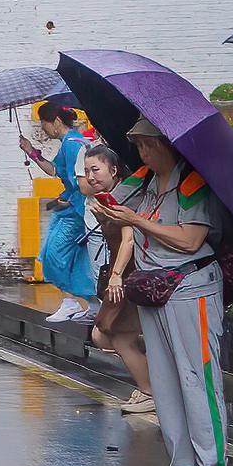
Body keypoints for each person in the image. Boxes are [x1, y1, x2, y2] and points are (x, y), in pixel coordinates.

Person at [92, 118, 233, 466]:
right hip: (156, 288)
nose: (143, 154)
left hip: (192, 288)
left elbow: (191, 239)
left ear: (166, 144)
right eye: (138, 147)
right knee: (167, 382)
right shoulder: (145, 181)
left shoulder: (192, 183)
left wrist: (137, 221)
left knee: (197, 379)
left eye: (147, 145)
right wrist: (109, 208)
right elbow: (114, 210)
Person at [79, 143, 154, 415]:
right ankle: (151, 380)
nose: (90, 177)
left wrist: (117, 276)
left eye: (95, 169)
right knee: (104, 334)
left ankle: (150, 390)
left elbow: (129, 240)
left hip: (128, 272)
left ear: (113, 169)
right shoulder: (109, 198)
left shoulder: (123, 198)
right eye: (86, 171)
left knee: (115, 335)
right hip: (121, 272)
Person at [22, 100, 97, 322]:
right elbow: (56, 170)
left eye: (44, 123)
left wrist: (68, 202)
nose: (43, 129)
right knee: (72, 257)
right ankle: (90, 303)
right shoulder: (68, 143)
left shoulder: (74, 145)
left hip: (75, 211)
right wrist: (32, 152)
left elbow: (81, 183)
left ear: (55, 121)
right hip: (69, 208)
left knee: (54, 254)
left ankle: (72, 301)